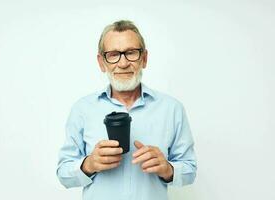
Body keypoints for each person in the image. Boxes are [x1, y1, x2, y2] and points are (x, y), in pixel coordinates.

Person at [56, 20, 197, 200]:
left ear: (144, 58)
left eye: (131, 53)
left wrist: (168, 169)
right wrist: (89, 164)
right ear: (101, 62)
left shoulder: (172, 109)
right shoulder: (82, 109)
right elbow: (63, 174)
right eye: (114, 54)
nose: (123, 63)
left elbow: (190, 170)